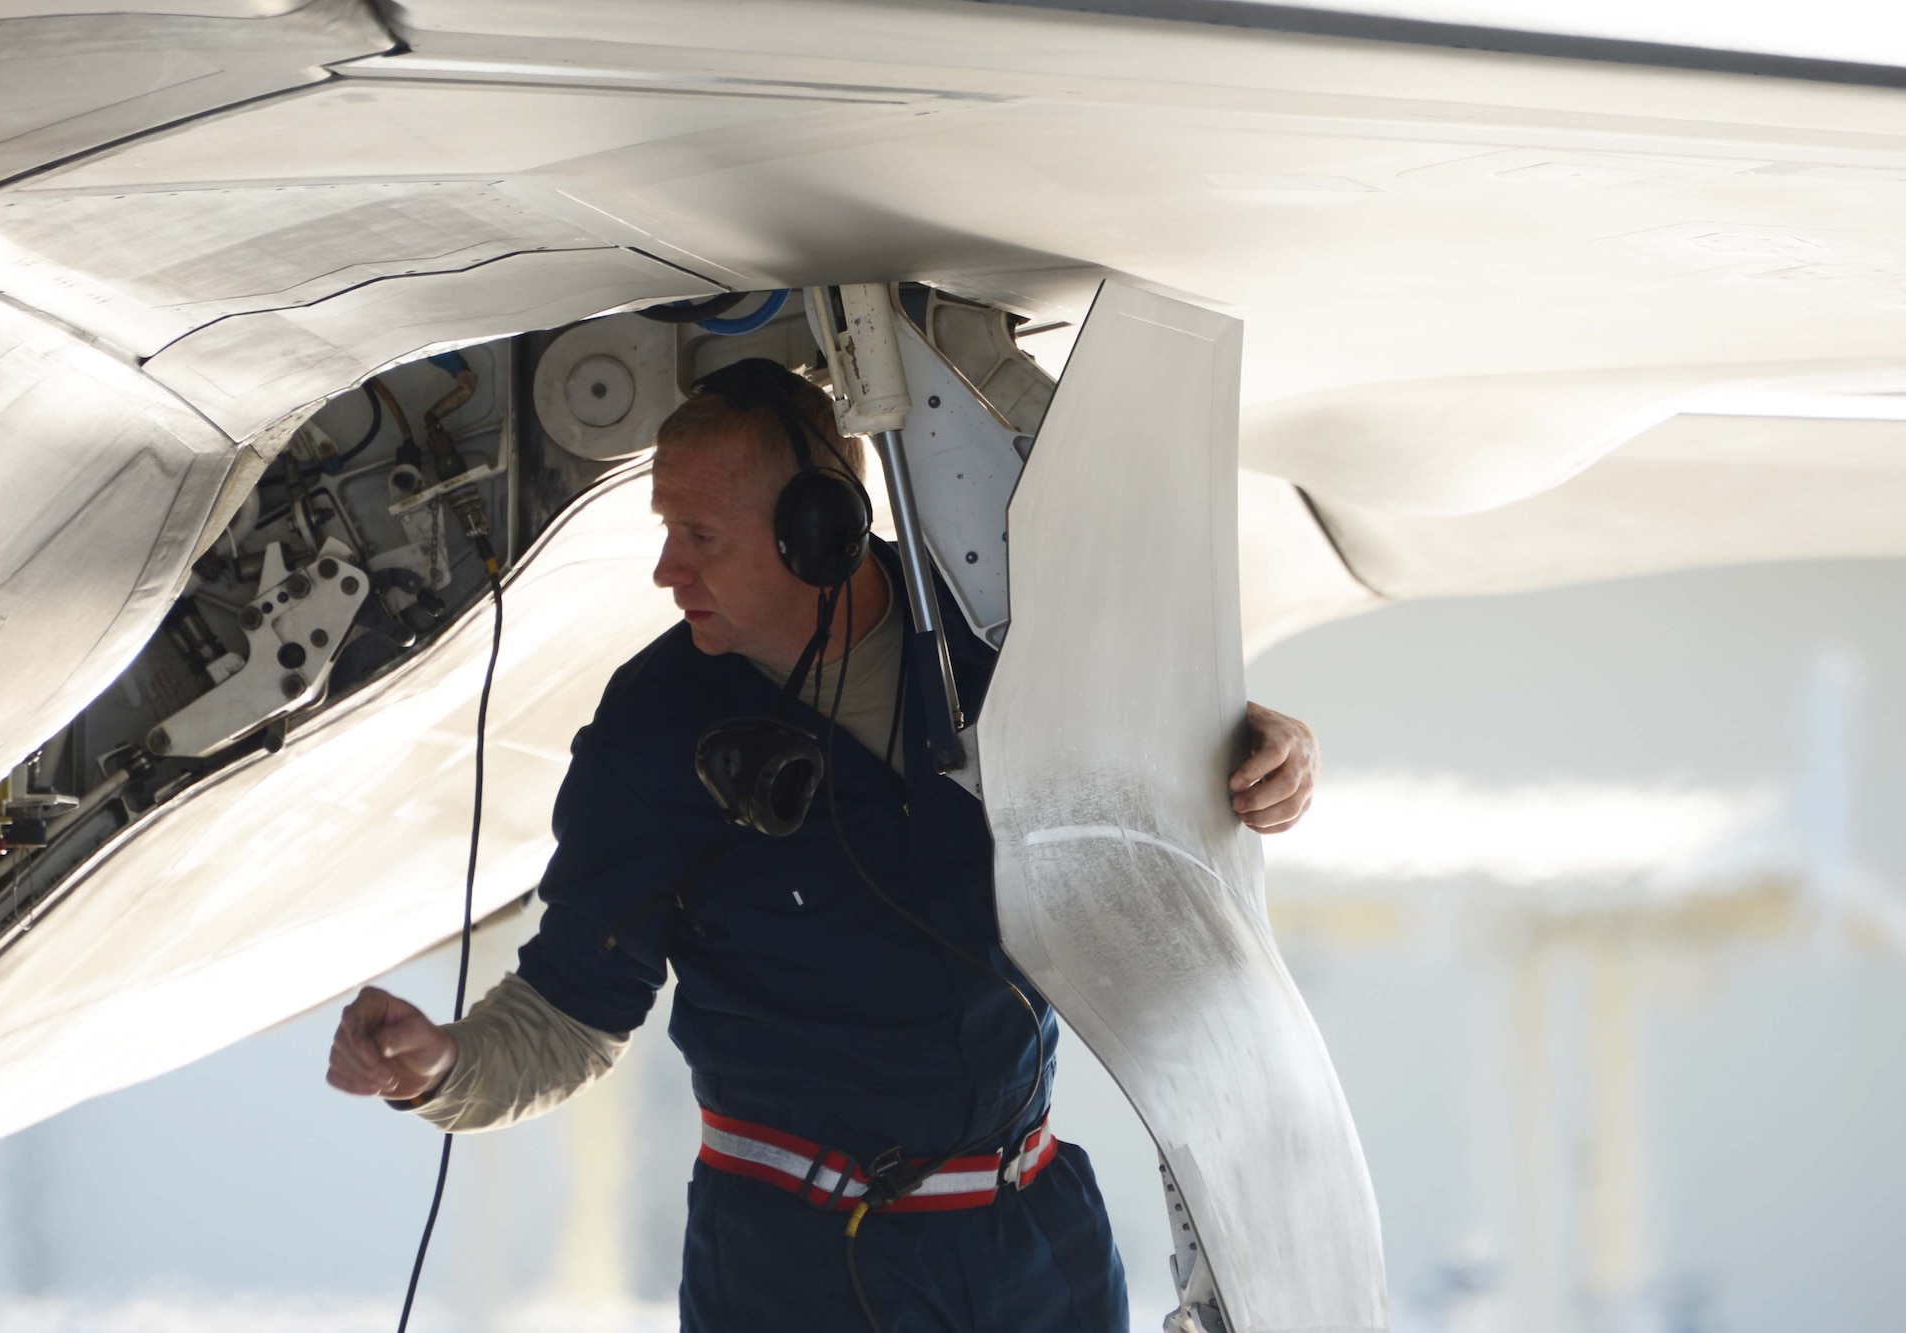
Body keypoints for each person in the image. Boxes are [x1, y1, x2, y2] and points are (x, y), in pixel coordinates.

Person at [326, 361, 1320, 1332]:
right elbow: (570, 1017)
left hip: (1030, 1252)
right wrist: (440, 1065)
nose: (668, 569)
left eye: (699, 535)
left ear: (818, 533)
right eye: (669, 531)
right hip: (788, 1270)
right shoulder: (656, 726)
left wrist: (1263, 747)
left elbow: (1167, 762)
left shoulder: (996, 641)